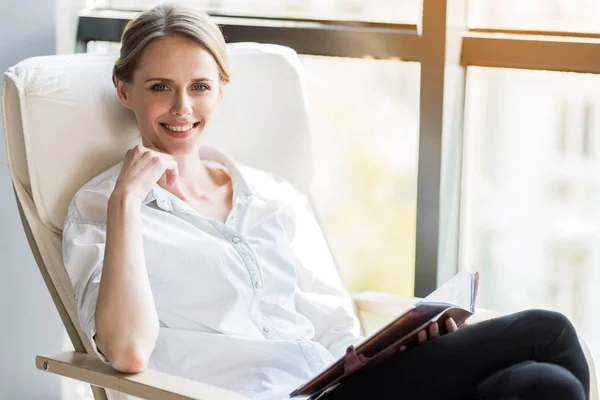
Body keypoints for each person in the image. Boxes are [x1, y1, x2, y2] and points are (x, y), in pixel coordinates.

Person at [62, 2, 591, 400]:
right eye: (160, 86)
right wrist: (128, 202)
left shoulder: (271, 197)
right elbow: (127, 351)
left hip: (335, 387)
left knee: (543, 385)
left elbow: (335, 328)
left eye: (199, 86)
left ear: (221, 90)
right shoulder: (102, 208)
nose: (182, 107)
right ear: (124, 89)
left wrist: (393, 347)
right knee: (550, 334)